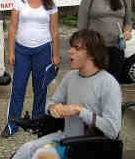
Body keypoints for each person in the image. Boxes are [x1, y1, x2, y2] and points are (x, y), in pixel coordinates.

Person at [12, 30, 121, 159]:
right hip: (65, 137)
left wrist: (80, 111)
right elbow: (50, 103)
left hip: (90, 146)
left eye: (77, 48)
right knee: (26, 150)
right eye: (71, 47)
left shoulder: (108, 83)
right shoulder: (70, 77)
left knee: (41, 155)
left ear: (92, 54)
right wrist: (53, 108)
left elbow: (113, 130)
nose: (70, 51)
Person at [1, 0, 60, 138]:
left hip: (43, 50)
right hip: (21, 50)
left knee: (40, 88)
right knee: (18, 88)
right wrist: (10, 52)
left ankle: (37, 122)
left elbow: (55, 32)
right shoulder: (20, 1)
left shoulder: (51, 3)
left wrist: (55, 55)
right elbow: (12, 29)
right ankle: (12, 124)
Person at [78, 0, 132, 83]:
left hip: (116, 50)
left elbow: (128, 22)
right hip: (94, 50)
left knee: (112, 85)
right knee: (93, 85)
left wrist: (127, 32)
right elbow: (81, 28)